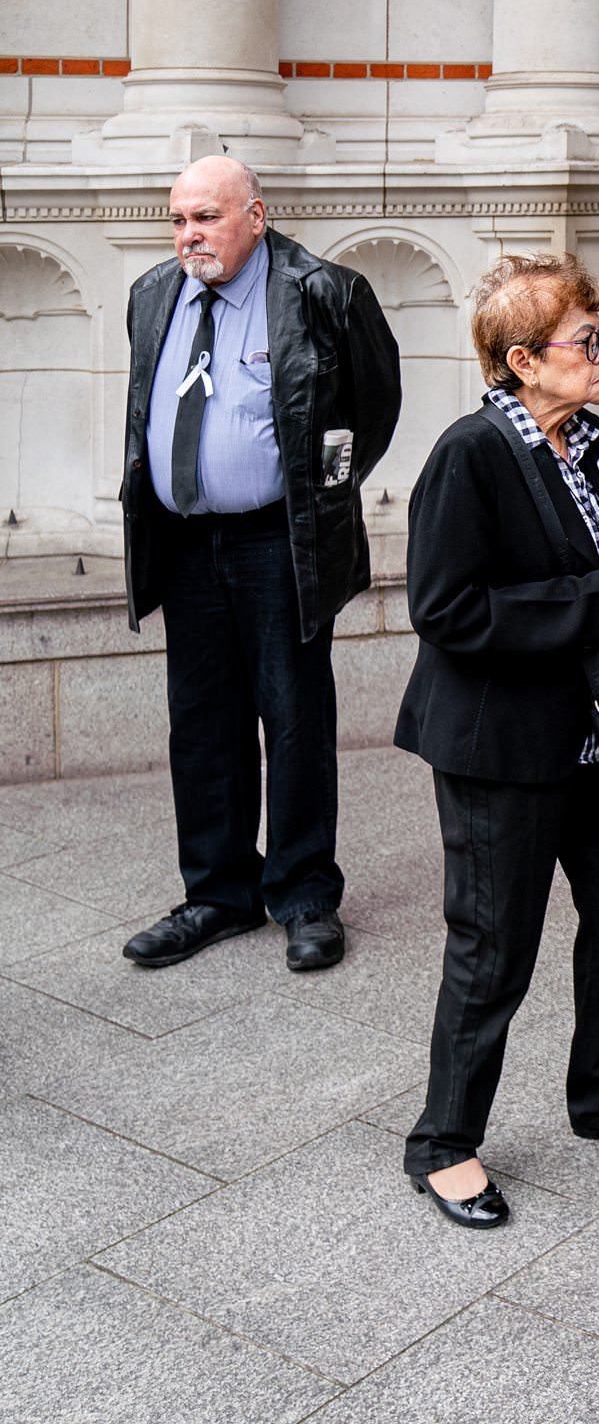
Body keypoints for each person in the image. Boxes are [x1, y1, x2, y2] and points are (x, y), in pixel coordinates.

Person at [395, 254, 599, 1229]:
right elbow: (445, 610)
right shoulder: (468, 455)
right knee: (494, 944)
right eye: (587, 340)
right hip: (497, 743)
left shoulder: (589, 437)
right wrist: (596, 599)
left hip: (594, 728)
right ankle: (444, 1140)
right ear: (523, 359)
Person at [116, 156, 401, 974]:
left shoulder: (323, 292)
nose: (188, 235)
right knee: (201, 722)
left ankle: (306, 894)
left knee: (294, 714)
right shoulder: (151, 296)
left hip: (278, 540)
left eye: (205, 217)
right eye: (177, 219)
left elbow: (371, 410)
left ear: (256, 214)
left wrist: (316, 495)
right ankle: (216, 891)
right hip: (185, 542)